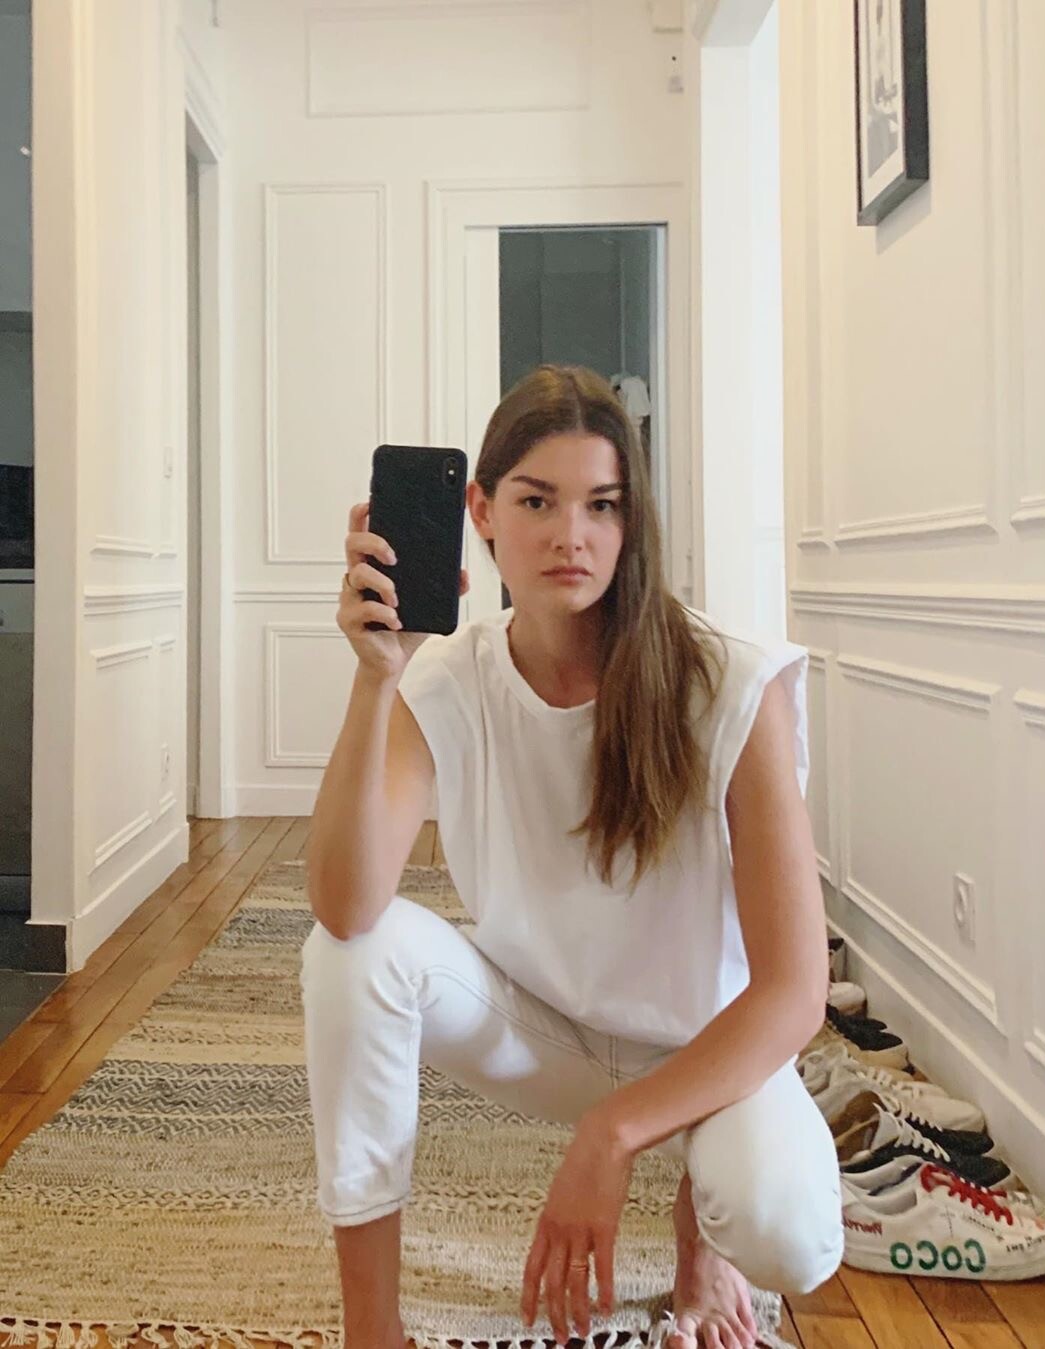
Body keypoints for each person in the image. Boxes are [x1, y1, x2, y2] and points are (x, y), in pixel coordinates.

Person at [301, 365, 843, 1349]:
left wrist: (613, 1133)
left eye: (602, 504)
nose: (571, 535)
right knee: (349, 955)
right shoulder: (448, 677)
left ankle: (704, 1238)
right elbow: (345, 904)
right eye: (537, 501)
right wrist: (376, 677)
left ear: (632, 520)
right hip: (540, 1029)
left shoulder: (731, 682)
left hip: (700, 1051)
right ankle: (371, 1327)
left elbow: (796, 992)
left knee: (789, 1232)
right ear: (480, 511)